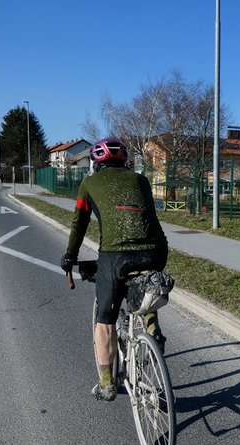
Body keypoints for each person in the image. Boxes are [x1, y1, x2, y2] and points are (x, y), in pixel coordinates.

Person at [61, 138, 169, 402]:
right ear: (124, 160)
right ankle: (152, 325)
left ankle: (107, 383)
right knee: (146, 285)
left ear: (97, 162)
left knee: (105, 321)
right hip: (156, 250)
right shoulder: (140, 180)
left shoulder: (89, 184)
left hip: (116, 255)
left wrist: (69, 257)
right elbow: (147, 217)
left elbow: (79, 224)